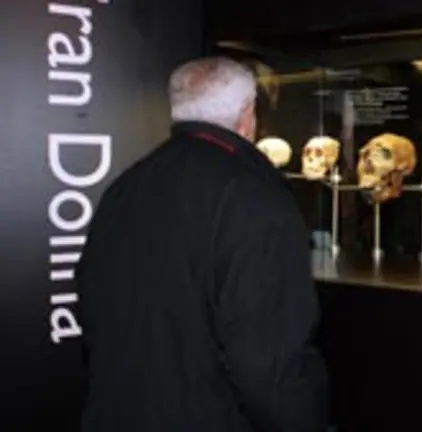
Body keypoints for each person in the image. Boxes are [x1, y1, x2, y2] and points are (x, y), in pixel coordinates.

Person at [75, 57, 328, 432]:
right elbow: (268, 366)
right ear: (247, 114)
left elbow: (93, 308)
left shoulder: (124, 187)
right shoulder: (255, 196)